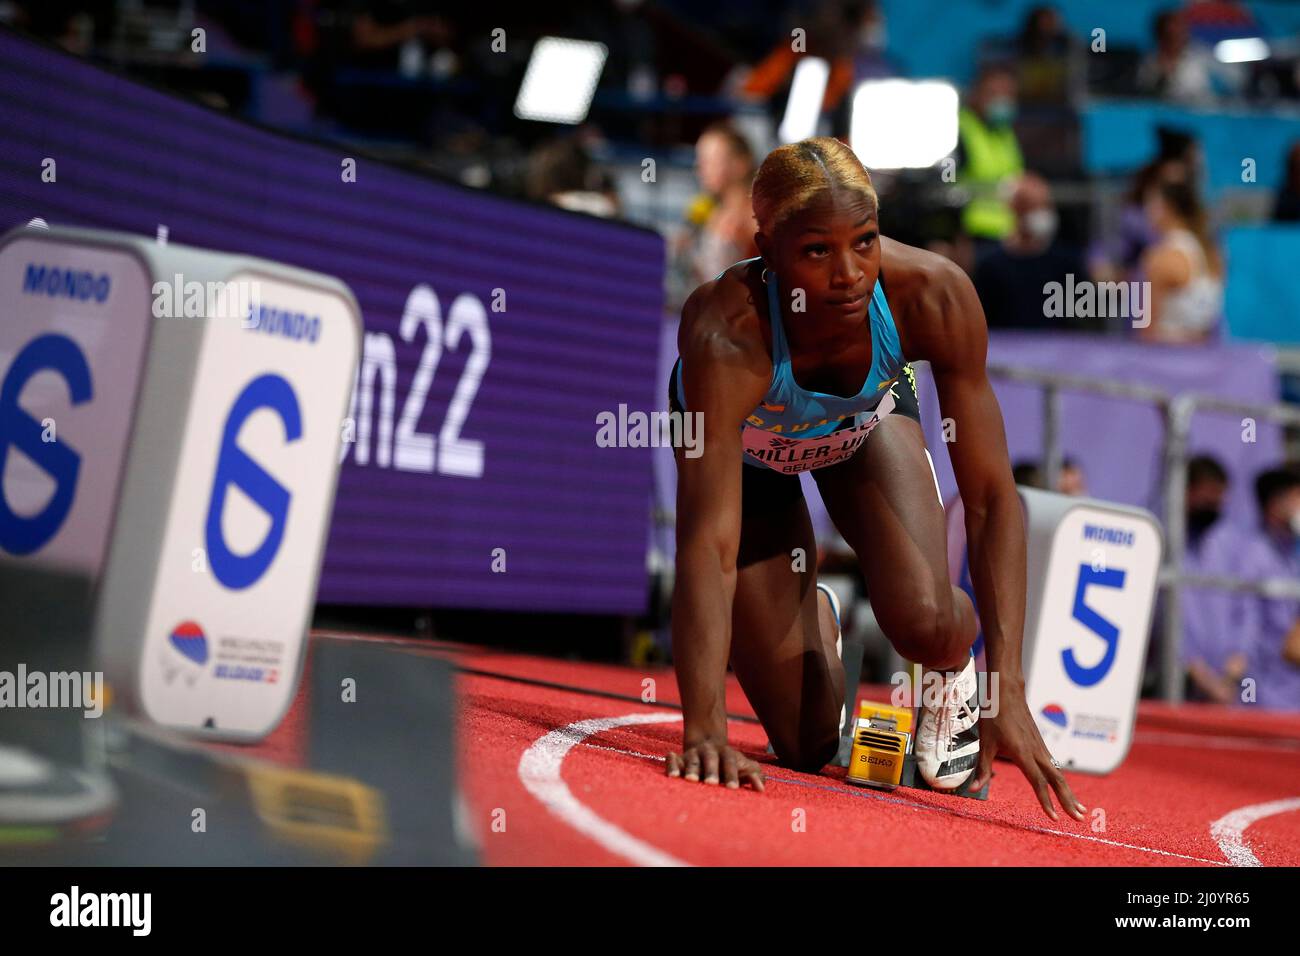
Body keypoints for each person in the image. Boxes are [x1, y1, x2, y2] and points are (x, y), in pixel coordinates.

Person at [664, 136, 1084, 821]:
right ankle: (816, 616)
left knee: (925, 620)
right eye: (817, 252)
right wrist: (704, 726)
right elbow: (708, 546)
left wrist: (1002, 690)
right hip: (750, 461)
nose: (849, 275)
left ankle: (947, 671)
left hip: (863, 427)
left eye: (864, 241)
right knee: (804, 744)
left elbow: (989, 498)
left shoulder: (934, 295)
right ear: (767, 250)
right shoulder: (726, 333)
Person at [973, 173, 1089, 331]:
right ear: (1014, 209)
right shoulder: (990, 265)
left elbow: (1085, 311)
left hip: (1056, 351)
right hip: (1004, 352)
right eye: (1031, 206)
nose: (1041, 212)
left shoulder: (1066, 263)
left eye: (1045, 205)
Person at [1179, 455, 1252, 703]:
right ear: (1186, 492)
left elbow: (1245, 609)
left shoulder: (1229, 542)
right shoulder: (1168, 542)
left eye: (1219, 496)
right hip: (1181, 682)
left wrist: (1234, 667)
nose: (1215, 503)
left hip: (1228, 683)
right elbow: (1165, 620)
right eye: (1208, 495)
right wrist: (1200, 675)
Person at [1238, 467, 1300, 710]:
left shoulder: (1292, 556)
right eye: (1298, 498)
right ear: (1275, 505)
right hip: (1264, 695)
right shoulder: (1251, 556)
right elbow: (1245, 631)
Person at [1138, 177, 1223, 343]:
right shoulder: (1212, 253)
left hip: (1167, 360)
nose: (1146, 211)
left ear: (1167, 208)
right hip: (1204, 357)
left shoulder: (1161, 258)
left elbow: (1147, 331)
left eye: (1151, 204)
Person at [957, 63, 1025, 252]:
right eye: (994, 94)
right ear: (975, 95)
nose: (1002, 101)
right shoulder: (959, 129)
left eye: (1008, 95)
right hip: (973, 235)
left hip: (1007, 234)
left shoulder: (1006, 133)